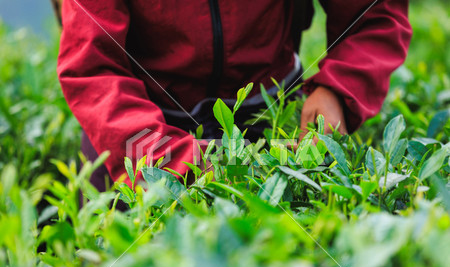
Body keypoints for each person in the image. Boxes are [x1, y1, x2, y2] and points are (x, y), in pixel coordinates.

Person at [56, 0, 411, 189]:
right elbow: (93, 69)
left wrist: (338, 91)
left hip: (277, 126)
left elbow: (373, 13)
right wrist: (176, 160)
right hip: (141, 135)